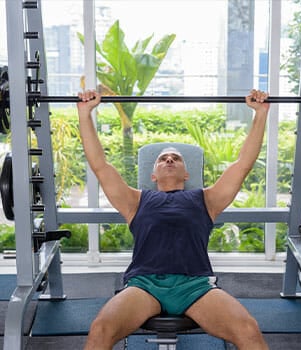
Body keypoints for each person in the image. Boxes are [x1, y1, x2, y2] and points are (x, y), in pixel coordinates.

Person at [77, 89, 270, 350]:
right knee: (100, 330)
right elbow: (100, 165)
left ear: (186, 173)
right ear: (153, 174)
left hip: (195, 286)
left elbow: (243, 163)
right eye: (162, 159)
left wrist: (260, 113)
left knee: (248, 330)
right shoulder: (134, 200)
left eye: (176, 158)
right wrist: (84, 113)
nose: (169, 159)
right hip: (145, 285)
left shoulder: (207, 199)